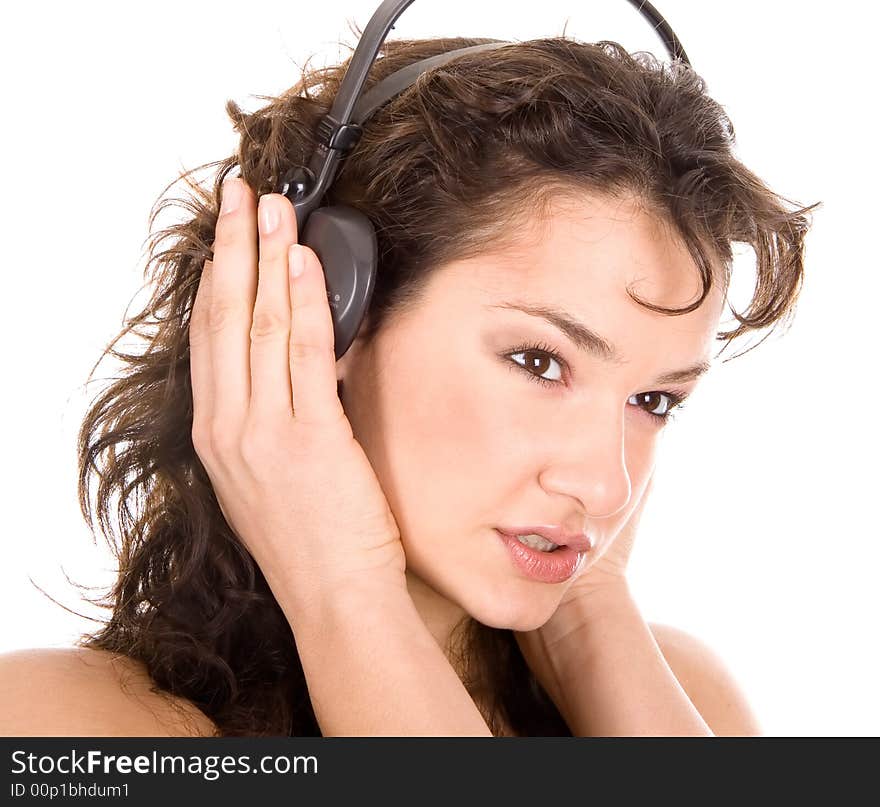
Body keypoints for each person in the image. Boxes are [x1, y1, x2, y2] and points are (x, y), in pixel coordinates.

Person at [0, 34, 817, 737]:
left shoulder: (676, 694)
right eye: (539, 362)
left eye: (652, 400)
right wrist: (342, 587)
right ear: (322, 312)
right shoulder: (62, 722)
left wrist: (591, 620)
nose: (606, 486)